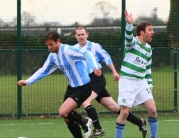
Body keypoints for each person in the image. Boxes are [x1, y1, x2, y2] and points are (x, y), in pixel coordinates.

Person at [66, 26, 148, 138]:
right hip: (85, 82)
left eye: (83, 34)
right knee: (114, 108)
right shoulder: (73, 49)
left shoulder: (94, 46)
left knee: (86, 101)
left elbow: (107, 58)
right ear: (75, 36)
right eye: (78, 35)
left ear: (87, 34)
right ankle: (140, 122)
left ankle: (98, 129)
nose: (81, 36)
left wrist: (114, 72)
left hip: (96, 79)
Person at [17, 31, 102, 138]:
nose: (49, 47)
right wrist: (28, 81)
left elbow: (87, 53)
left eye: (51, 44)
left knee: (63, 111)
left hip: (83, 87)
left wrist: (95, 67)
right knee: (66, 117)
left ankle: (85, 121)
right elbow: (43, 70)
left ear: (58, 41)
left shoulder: (68, 50)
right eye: (47, 45)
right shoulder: (52, 56)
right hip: (71, 88)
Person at [115, 10, 158, 138]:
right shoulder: (132, 43)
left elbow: (148, 69)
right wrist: (129, 24)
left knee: (153, 110)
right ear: (142, 32)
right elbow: (128, 37)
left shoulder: (148, 49)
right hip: (127, 82)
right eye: (150, 30)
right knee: (125, 113)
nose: (153, 32)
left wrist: (150, 85)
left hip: (141, 82)